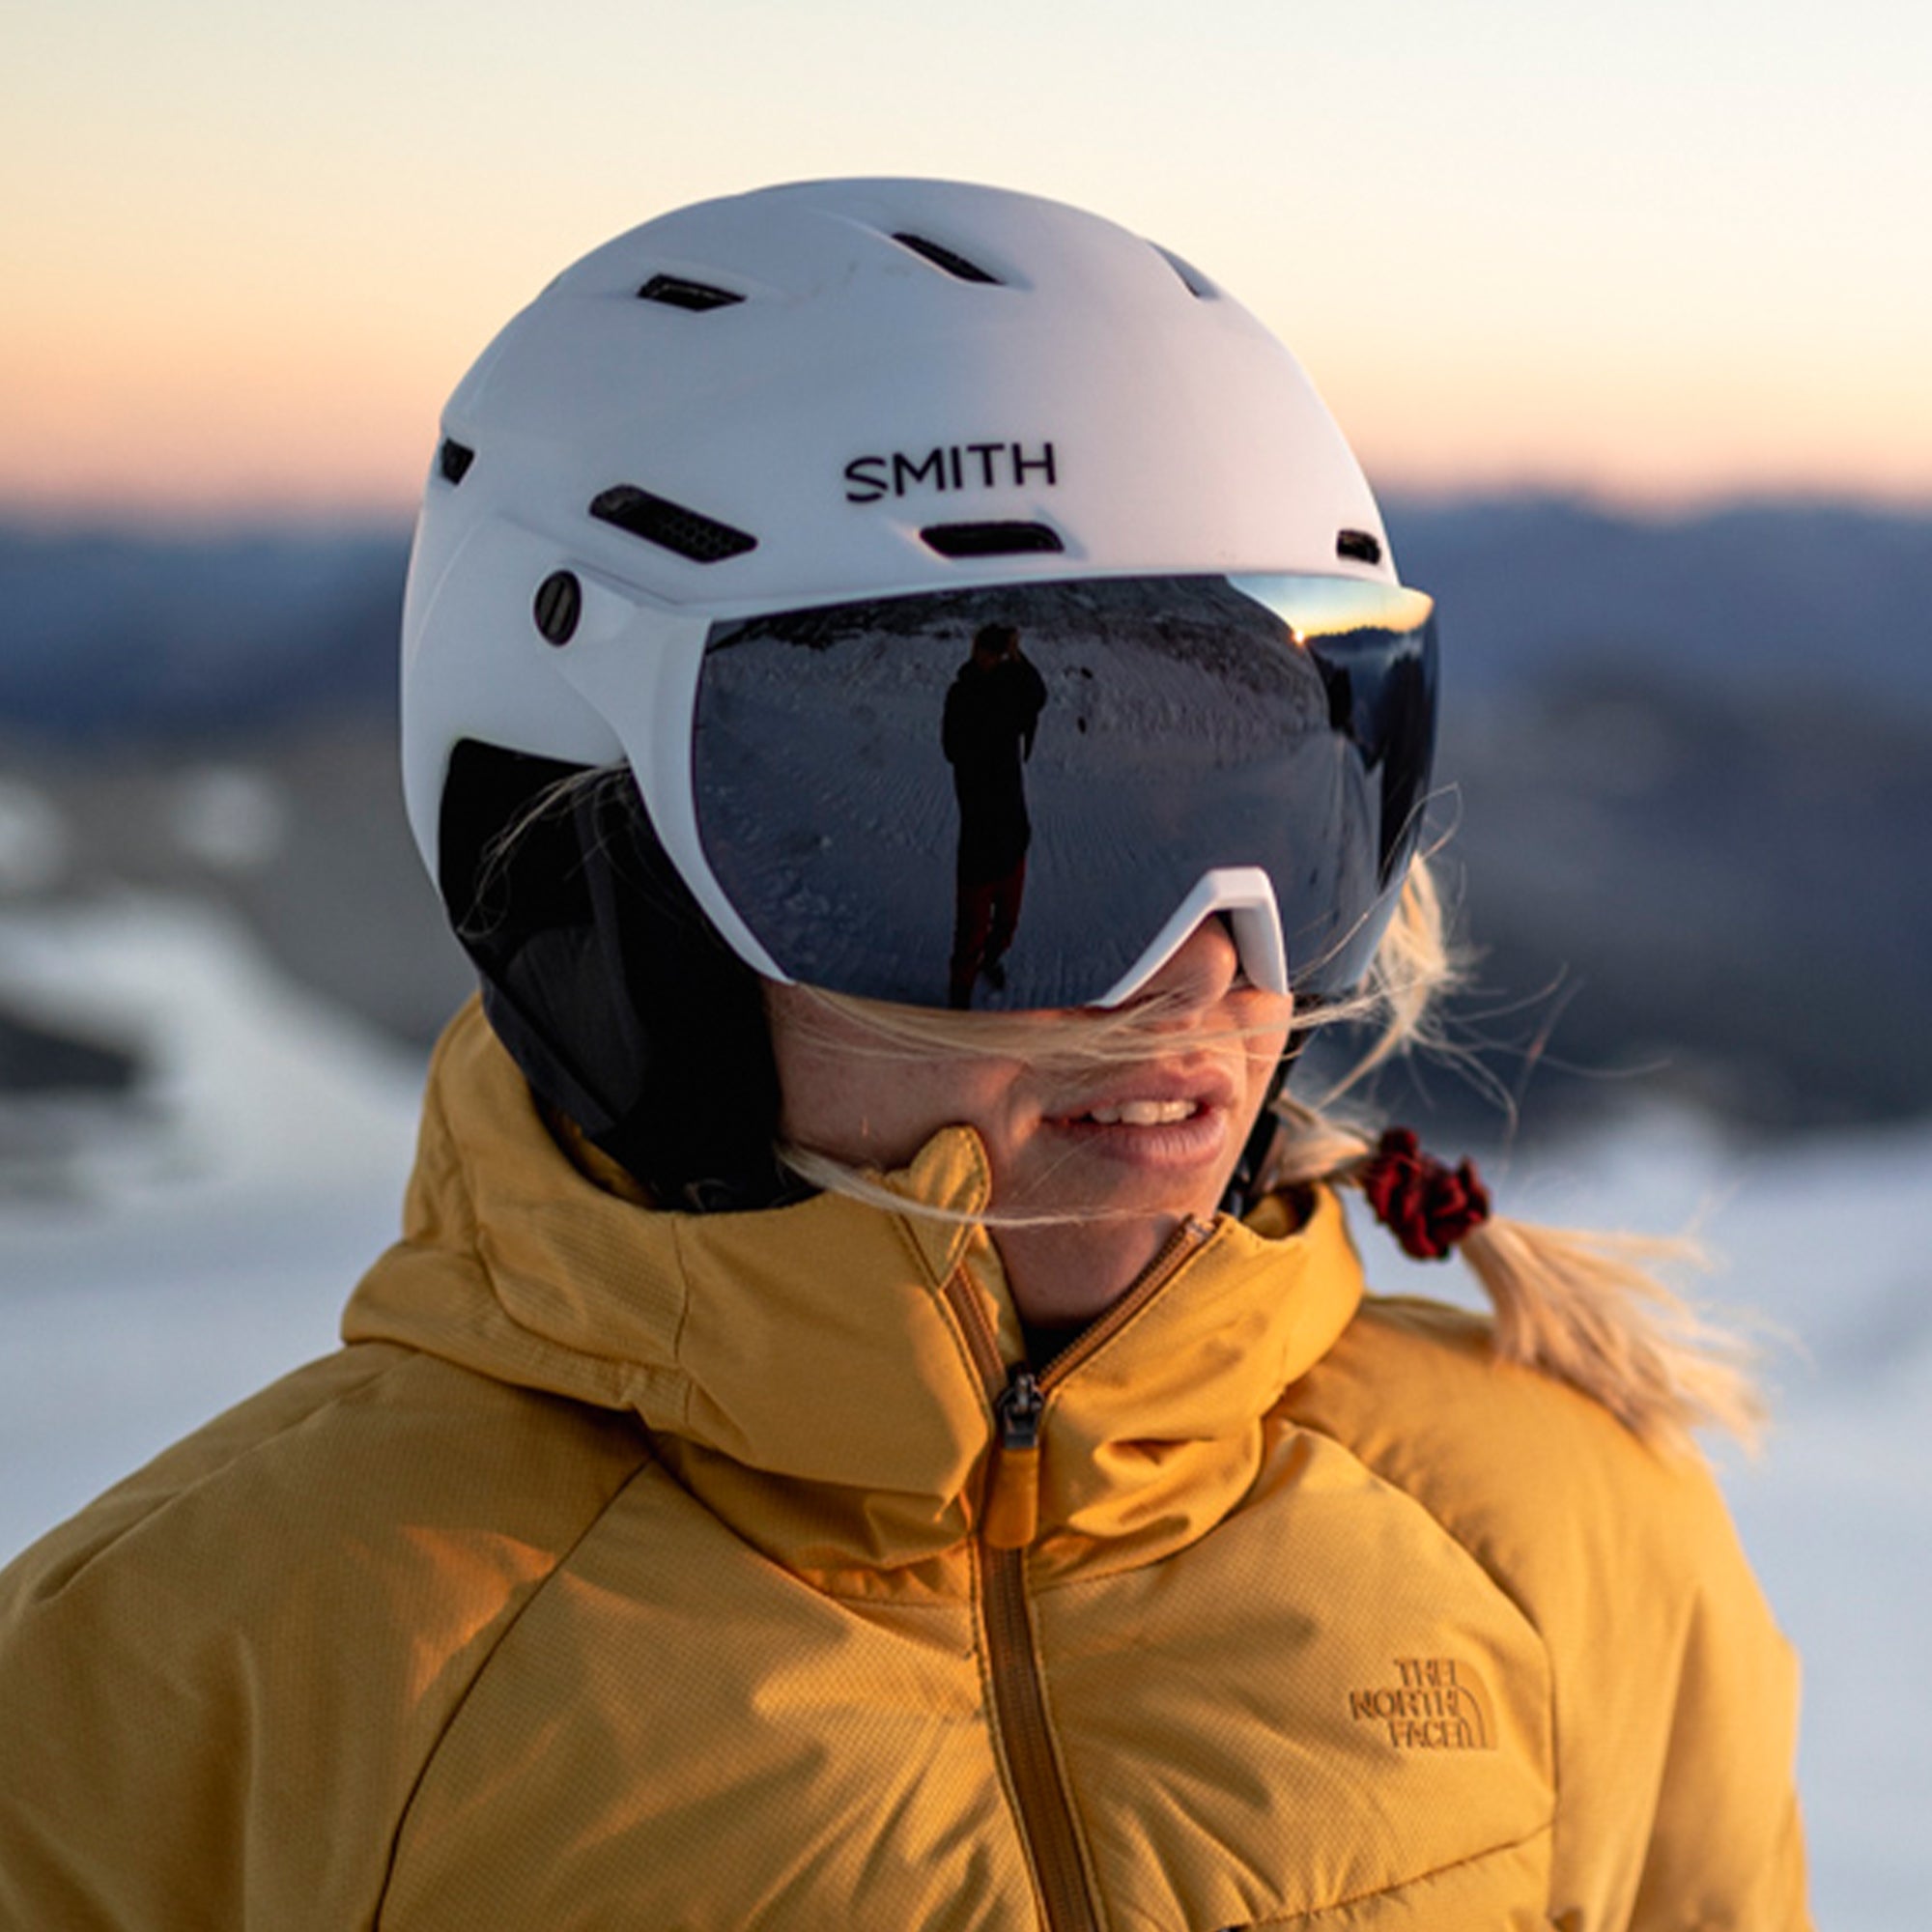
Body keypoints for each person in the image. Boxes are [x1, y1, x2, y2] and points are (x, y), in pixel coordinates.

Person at [0, 180, 1808, 1928]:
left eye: (1276, 812)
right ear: (607, 903)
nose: (1204, 969)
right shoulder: (182, 1688)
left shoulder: (1558, 1537)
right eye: (998, 840)